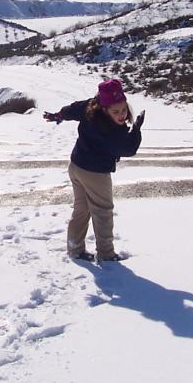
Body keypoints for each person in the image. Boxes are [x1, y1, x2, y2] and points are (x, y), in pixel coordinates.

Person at [43, 78, 145, 262]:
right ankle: (106, 254)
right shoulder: (111, 129)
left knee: (82, 209)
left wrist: (58, 115)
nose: (121, 115)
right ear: (105, 109)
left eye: (124, 110)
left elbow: (72, 109)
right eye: (116, 111)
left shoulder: (90, 106)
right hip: (95, 173)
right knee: (103, 211)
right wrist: (136, 129)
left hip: (76, 166)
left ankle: (75, 249)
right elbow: (128, 149)